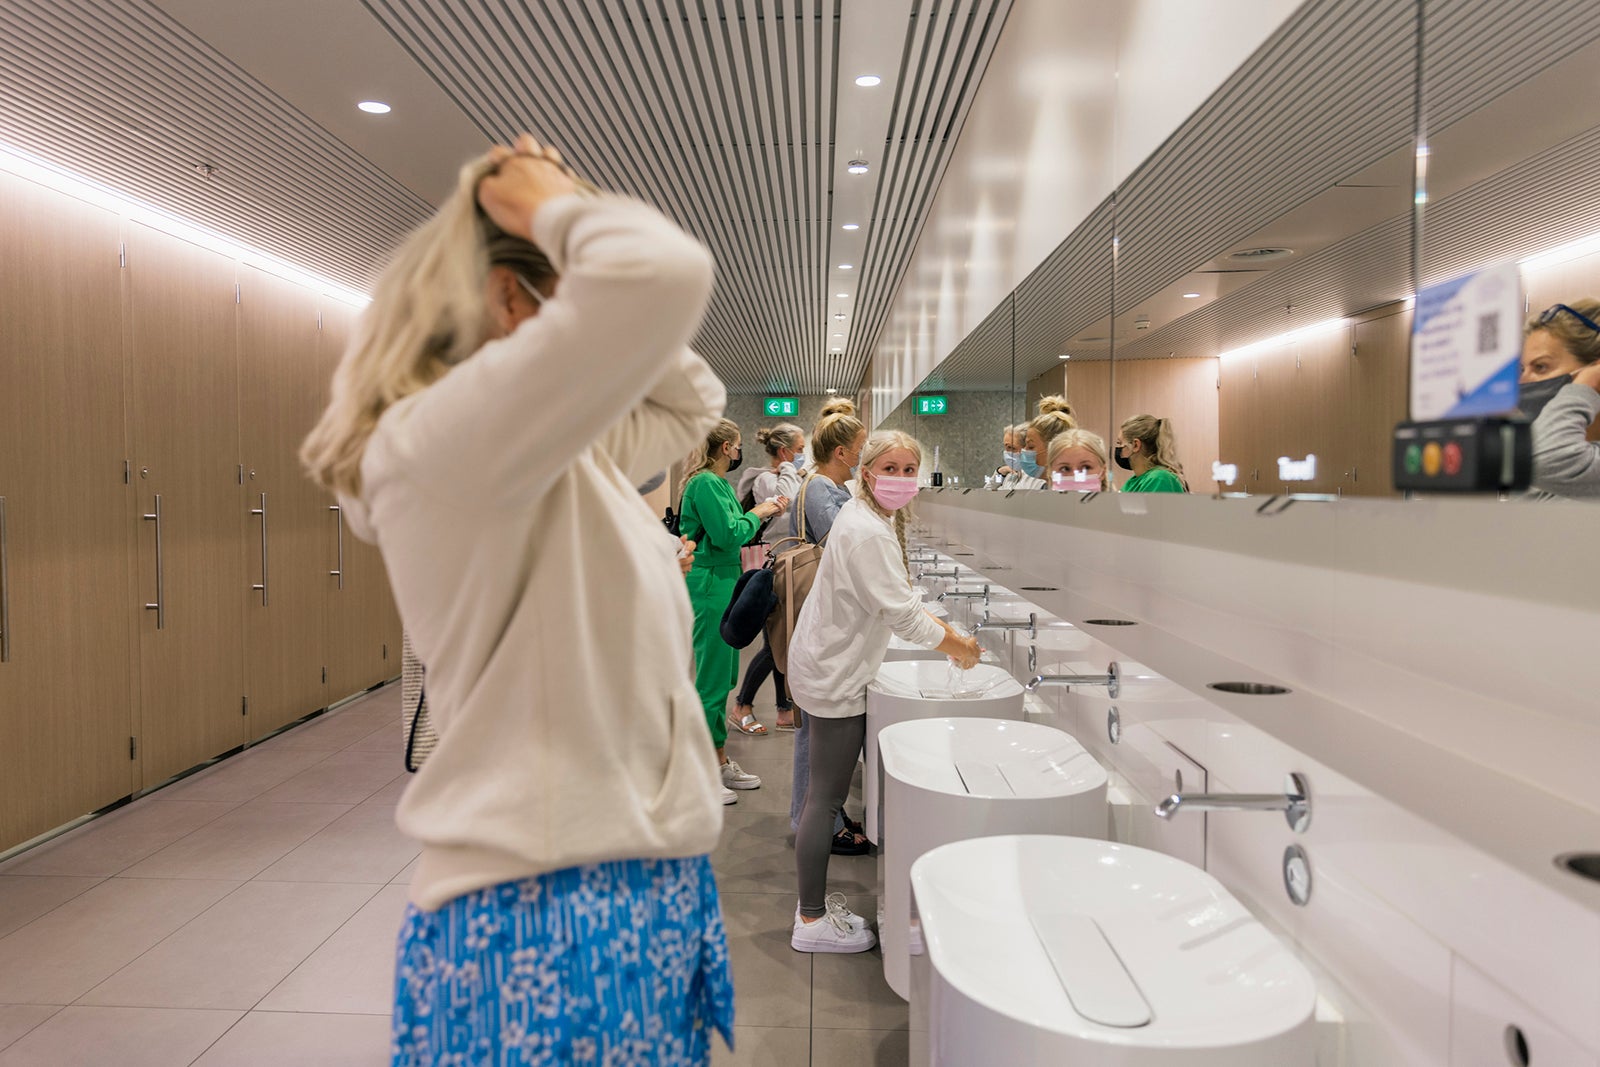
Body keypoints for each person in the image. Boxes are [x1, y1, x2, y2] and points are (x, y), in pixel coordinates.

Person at [300, 135, 734, 1063]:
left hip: (616, 889)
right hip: (547, 915)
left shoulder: (545, 459)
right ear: (510, 299)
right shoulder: (446, 450)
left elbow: (691, 400)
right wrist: (551, 200)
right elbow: (662, 275)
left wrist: (564, 232)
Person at [786, 431, 982, 953]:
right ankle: (809, 922)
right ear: (866, 470)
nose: (899, 478)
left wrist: (939, 629)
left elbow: (892, 601)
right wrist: (958, 645)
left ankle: (821, 912)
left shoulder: (868, 516)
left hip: (827, 662)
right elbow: (901, 615)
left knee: (822, 795)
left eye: (908, 468)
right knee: (823, 799)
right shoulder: (867, 530)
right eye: (888, 467)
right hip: (834, 674)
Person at [679, 420, 788, 799]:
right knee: (711, 681)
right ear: (726, 447)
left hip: (722, 581)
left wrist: (755, 515)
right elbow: (728, 535)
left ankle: (718, 761)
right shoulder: (706, 484)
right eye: (738, 445)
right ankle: (706, 769)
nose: (741, 452)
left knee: (723, 678)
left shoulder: (716, 484)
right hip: (710, 583)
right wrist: (757, 512)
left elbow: (731, 530)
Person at [786, 404, 871, 856]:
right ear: (840, 452)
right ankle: (812, 817)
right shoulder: (820, 488)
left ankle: (823, 814)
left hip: (819, 609)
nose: (859, 460)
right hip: (814, 610)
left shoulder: (827, 485)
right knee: (814, 726)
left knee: (816, 725)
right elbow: (846, 547)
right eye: (857, 452)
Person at [730, 424, 806, 734]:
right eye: (799, 449)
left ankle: (783, 710)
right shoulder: (766, 479)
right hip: (768, 564)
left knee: (781, 635)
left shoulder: (790, 476)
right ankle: (742, 705)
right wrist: (789, 466)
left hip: (786, 561)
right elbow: (784, 499)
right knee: (774, 642)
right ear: (785, 452)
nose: (803, 455)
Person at [1520, 302, 1600, 498]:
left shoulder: (1555, 457)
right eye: (1523, 370)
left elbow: (1545, 459)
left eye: (1540, 367)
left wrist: (1587, 383)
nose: (1522, 381)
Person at [1116, 414, 1189, 492]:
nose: (1119, 449)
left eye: (1120, 443)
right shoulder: (1133, 481)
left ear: (1136, 445)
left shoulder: (1159, 479)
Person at [1016, 398, 1078, 487]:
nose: (1023, 451)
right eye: (1025, 445)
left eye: (1031, 446)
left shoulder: (1076, 489)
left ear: (1054, 449)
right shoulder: (1041, 484)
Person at [1047, 428, 1111, 492]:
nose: (1075, 476)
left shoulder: (1119, 501)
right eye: (1065, 468)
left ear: (1103, 472)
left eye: (1086, 468)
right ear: (1050, 473)